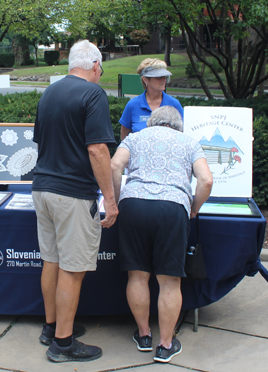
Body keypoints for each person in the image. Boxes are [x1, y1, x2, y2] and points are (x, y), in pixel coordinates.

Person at [32, 39, 118, 363]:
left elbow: (42, 141)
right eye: (101, 68)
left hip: (42, 189)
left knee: (51, 261)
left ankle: (51, 327)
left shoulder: (49, 92)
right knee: (73, 269)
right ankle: (63, 344)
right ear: (95, 65)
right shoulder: (93, 93)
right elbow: (97, 149)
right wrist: (110, 199)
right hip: (72, 194)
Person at [111, 106, 213, 363]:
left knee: (137, 275)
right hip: (171, 208)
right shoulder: (189, 142)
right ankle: (165, 345)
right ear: (177, 125)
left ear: (151, 123)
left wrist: (116, 198)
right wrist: (193, 207)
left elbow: (114, 166)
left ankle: (144, 335)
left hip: (133, 205)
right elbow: (206, 180)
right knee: (169, 281)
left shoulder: (133, 138)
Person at [119, 58, 184, 141]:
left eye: (165, 76)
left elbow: (183, 134)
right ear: (145, 79)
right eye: (159, 77)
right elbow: (124, 139)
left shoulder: (174, 104)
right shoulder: (132, 105)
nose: (164, 79)